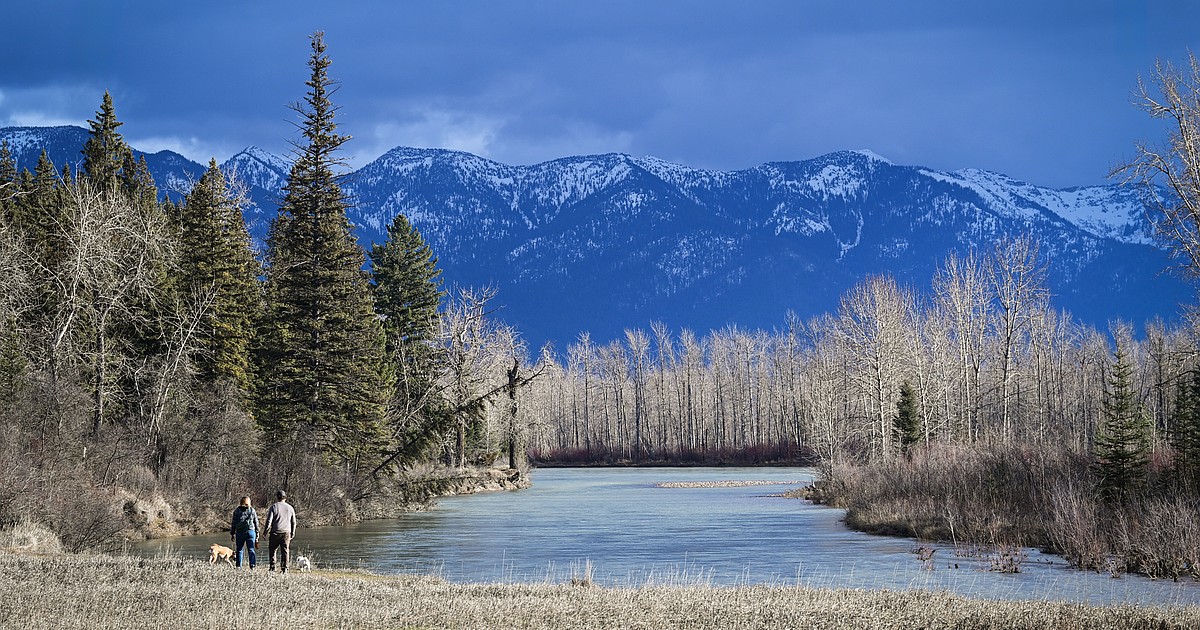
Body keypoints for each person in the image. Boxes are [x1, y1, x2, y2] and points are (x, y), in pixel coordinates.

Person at [263, 489, 297, 573]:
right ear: (285, 497)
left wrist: (265, 532)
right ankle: (284, 569)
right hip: (286, 532)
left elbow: (269, 521)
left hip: (275, 532)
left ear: (277, 497)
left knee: (272, 550)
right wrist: (293, 532)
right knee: (285, 551)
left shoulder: (274, 507)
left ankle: (272, 568)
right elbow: (293, 522)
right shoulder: (290, 508)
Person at [229, 496, 258, 569]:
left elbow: (234, 523)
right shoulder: (252, 510)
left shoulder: (237, 511)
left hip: (240, 532)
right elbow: (256, 522)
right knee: (251, 549)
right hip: (250, 531)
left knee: (239, 550)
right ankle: (252, 566)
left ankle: (239, 566)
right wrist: (257, 533)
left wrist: (232, 533)